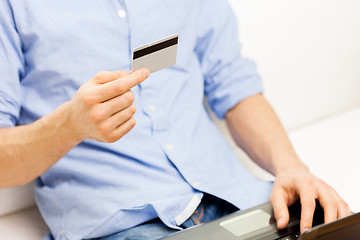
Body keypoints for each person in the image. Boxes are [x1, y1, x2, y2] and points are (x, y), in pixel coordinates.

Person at [0, 1, 351, 239]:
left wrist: (291, 168)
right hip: (124, 225)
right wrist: (69, 126)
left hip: (239, 198)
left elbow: (233, 85)